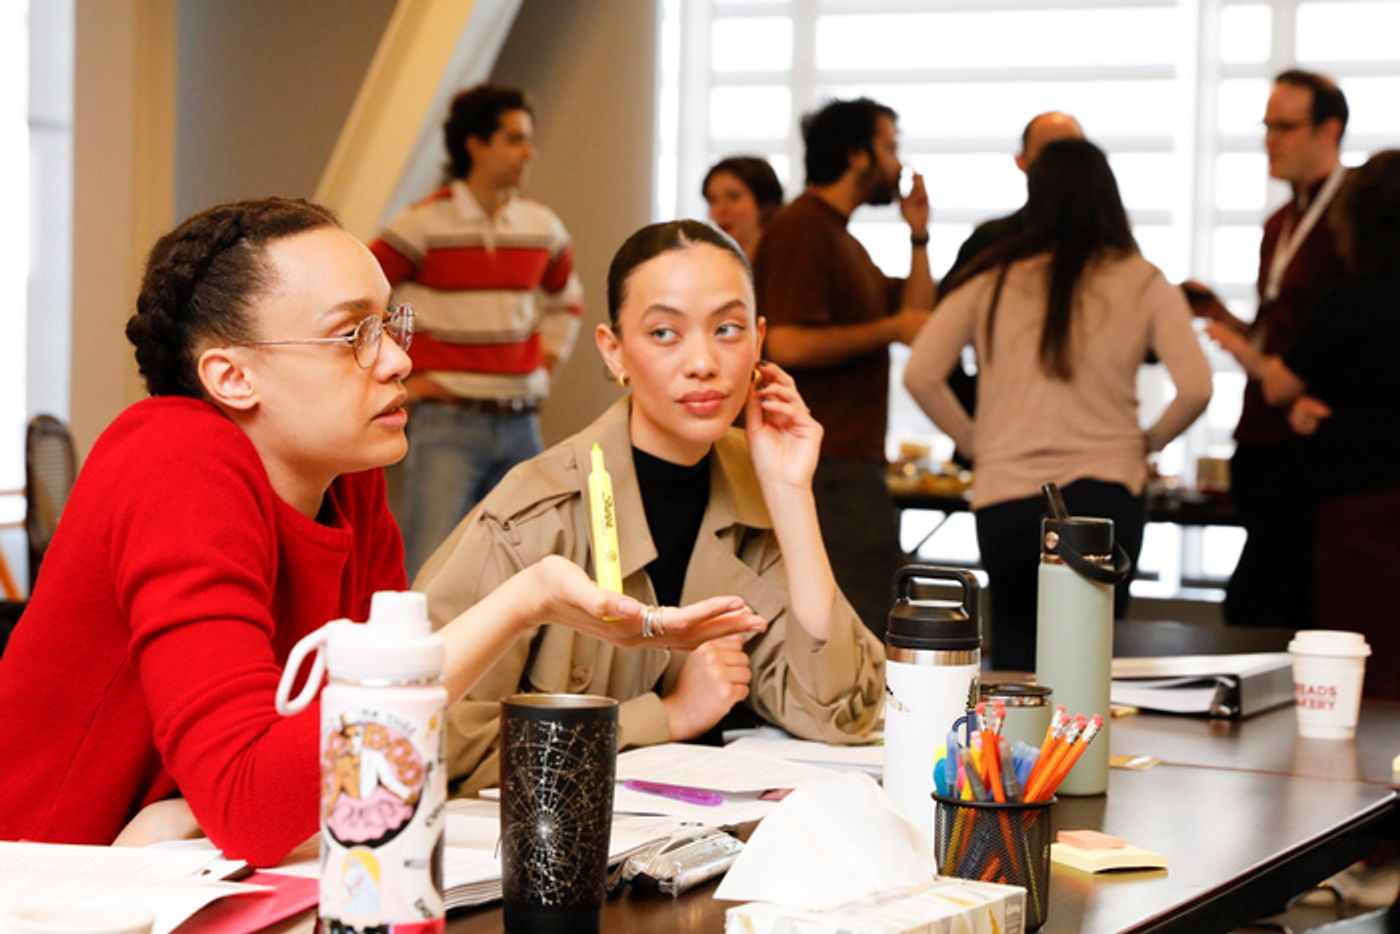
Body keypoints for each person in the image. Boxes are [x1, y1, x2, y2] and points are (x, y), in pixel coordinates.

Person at [0, 199, 763, 866]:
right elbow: (259, 803)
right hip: (53, 883)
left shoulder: (348, 476)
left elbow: (379, 764)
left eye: (390, 322)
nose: (399, 359)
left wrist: (186, 818)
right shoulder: (173, 456)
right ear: (232, 376)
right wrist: (521, 600)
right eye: (352, 335)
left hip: (205, 876)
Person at [416, 220, 885, 795]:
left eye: (729, 329)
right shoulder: (533, 513)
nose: (703, 362)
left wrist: (791, 497)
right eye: (665, 333)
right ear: (614, 352)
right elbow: (430, 749)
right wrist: (666, 716)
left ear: (759, 342)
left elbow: (841, 712)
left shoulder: (759, 480)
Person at [905, 140, 1212, 672]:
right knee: (1091, 662)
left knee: (1018, 655)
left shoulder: (991, 278)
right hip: (1106, 494)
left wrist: (978, 442)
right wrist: (1147, 442)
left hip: (1008, 497)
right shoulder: (1142, 280)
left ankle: (1020, 756)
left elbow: (920, 373)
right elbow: (1196, 388)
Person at [370, 85, 585, 577]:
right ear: (476, 145)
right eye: (514, 139)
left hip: (522, 422)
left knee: (532, 565)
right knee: (431, 564)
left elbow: (565, 302)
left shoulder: (542, 226)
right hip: (448, 422)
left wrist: (545, 369)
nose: (528, 152)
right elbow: (362, 294)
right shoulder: (421, 224)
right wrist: (404, 379)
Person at [1208, 151, 1400, 698]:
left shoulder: (1349, 301)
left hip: (1357, 500)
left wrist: (1301, 404)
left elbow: (1281, 385)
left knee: (1360, 655)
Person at [753, 97, 935, 637]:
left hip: (848, 461)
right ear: (858, 156)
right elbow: (785, 343)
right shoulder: (802, 230)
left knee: (877, 610)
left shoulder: (840, 236)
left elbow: (915, 315)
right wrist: (888, 331)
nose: (899, 164)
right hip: (826, 464)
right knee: (868, 619)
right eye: (889, 147)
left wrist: (918, 234)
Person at [1183, 70, 1350, 629]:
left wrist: (1256, 358)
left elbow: (1348, 337)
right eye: (1266, 127)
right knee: (1264, 600)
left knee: (1269, 605)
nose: (1270, 141)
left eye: (1286, 127)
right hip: (1263, 436)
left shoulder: (1355, 216)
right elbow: (1277, 330)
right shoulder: (1280, 222)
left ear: (1331, 129)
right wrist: (1220, 318)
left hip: (1315, 439)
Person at [939, 111, 1086, 447]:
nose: (1063, 163)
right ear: (1022, 161)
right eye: (1051, 151)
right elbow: (936, 344)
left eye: (1073, 149)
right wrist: (976, 410)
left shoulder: (1108, 247)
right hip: (1006, 434)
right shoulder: (992, 243)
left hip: (1086, 438)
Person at [703, 156, 785, 261]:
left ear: (764, 203)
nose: (720, 210)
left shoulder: (788, 263)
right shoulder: (707, 264)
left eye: (733, 197)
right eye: (712, 201)